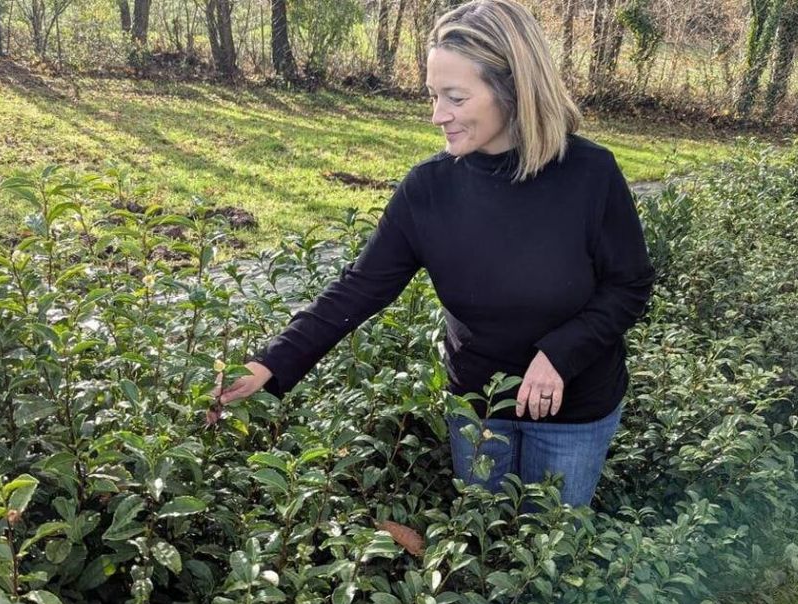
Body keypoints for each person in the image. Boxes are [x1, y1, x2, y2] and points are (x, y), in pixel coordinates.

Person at [207, 0, 655, 507]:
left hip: (577, 408)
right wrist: (269, 363)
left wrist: (560, 353)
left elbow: (629, 284)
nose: (436, 115)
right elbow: (359, 287)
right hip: (478, 407)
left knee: (546, 553)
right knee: (482, 543)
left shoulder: (590, 175)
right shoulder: (429, 189)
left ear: (512, 90)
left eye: (455, 97)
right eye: (433, 95)